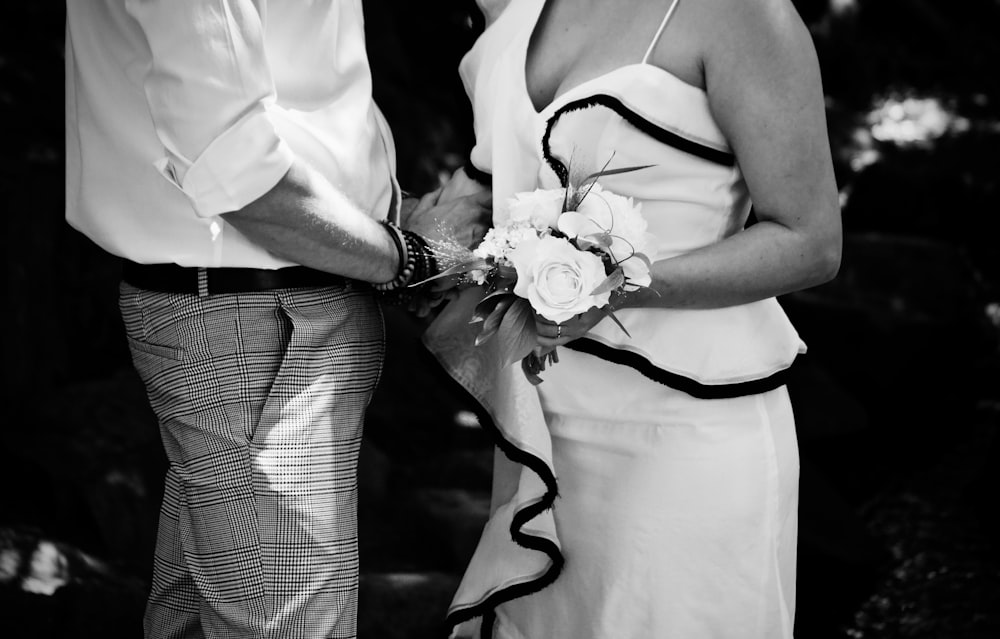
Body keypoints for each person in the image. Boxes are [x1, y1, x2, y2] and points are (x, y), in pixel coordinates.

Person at [65, 2, 489, 638]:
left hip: (267, 304)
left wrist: (391, 225)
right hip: (257, 318)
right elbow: (238, 173)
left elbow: (296, 114)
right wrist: (409, 258)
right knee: (286, 624)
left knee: (198, 620)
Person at [424, 0, 842, 637]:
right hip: (539, 425)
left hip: (684, 432)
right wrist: (425, 240)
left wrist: (617, 288)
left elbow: (810, 241)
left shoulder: (743, 14)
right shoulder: (510, 10)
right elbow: (489, 183)